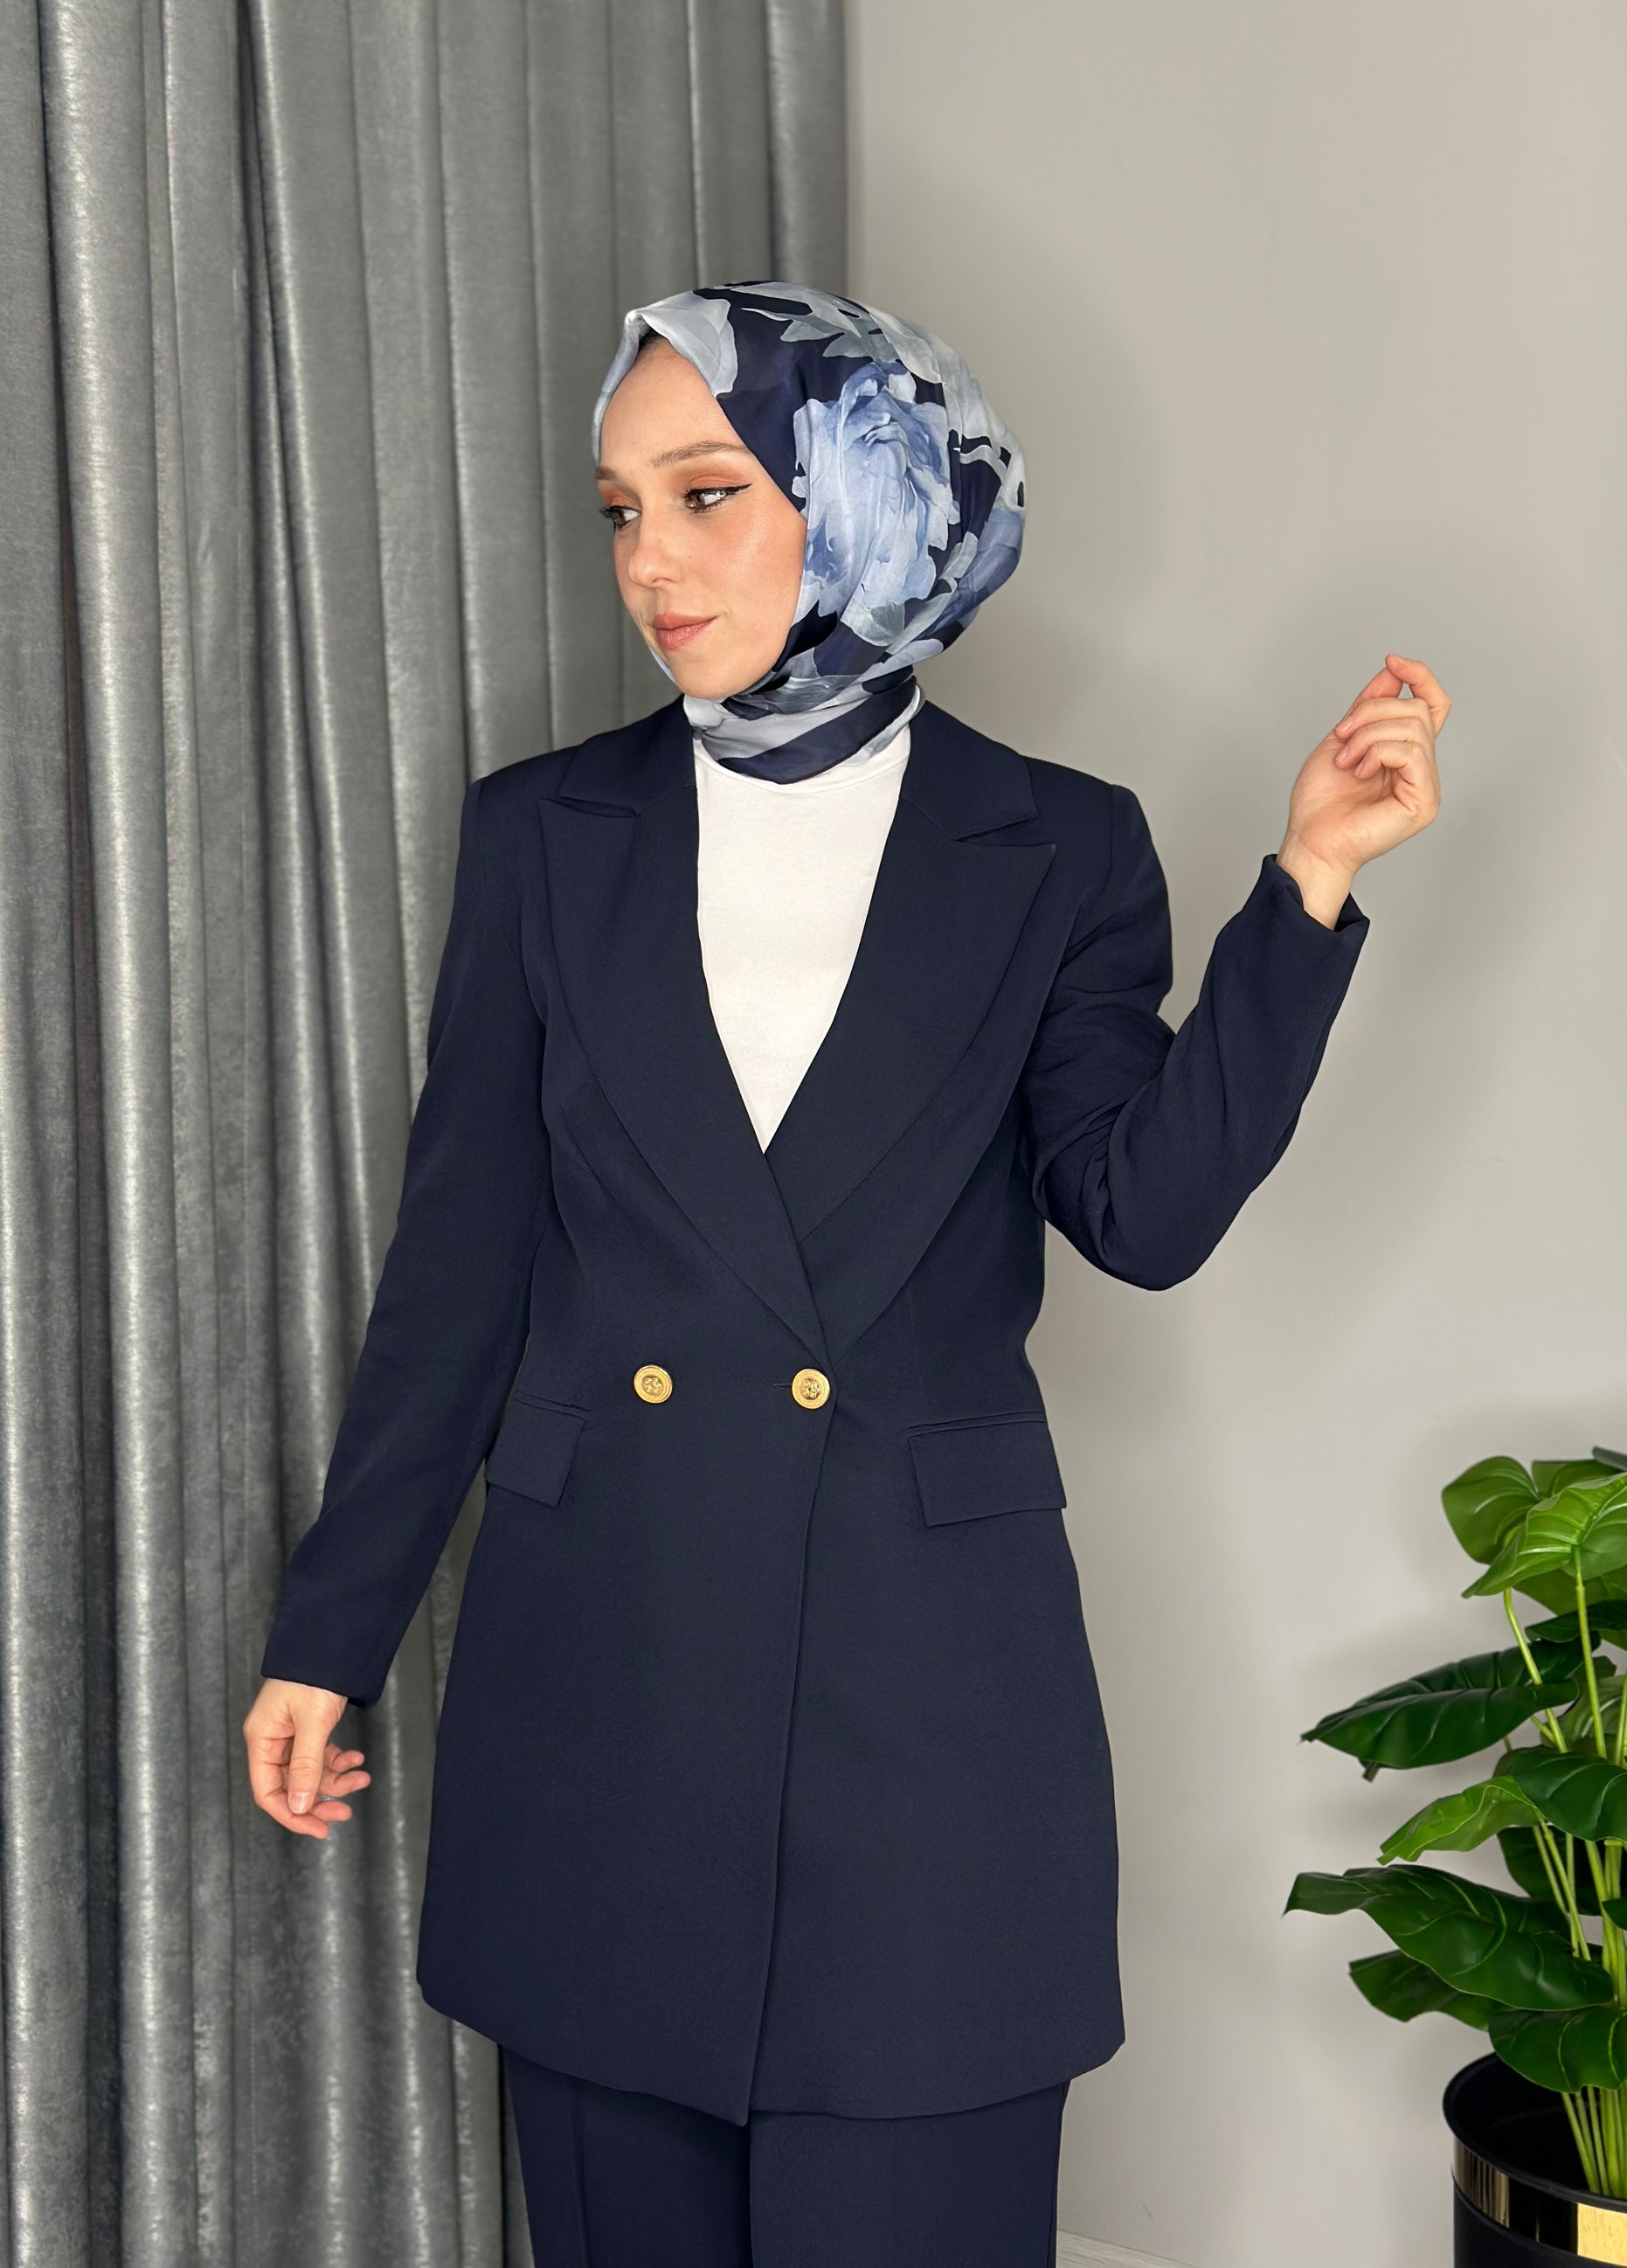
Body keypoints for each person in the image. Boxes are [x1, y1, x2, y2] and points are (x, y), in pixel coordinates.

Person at [242, 281, 1446, 2265]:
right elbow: (457, 1275)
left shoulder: (1054, 845)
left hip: (918, 1717)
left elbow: (1140, 1214)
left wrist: (1302, 888)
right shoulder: (545, 833)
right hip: (607, 1684)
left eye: (707, 492)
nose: (650, 560)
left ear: (873, 492)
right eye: (619, 509)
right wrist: (327, 1632)